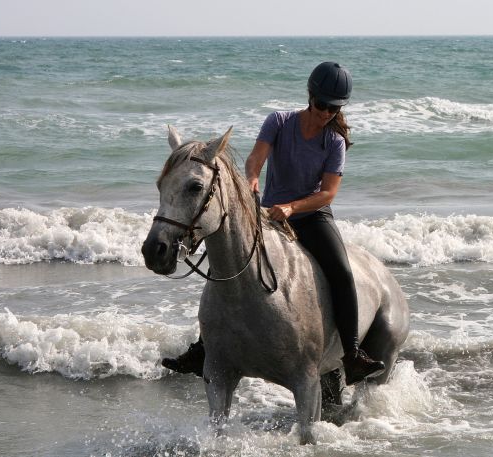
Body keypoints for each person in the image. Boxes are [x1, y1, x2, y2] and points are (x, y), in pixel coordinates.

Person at [162, 62, 385, 386]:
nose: (326, 113)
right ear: (310, 97)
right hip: (268, 214)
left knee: (342, 271)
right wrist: (251, 179)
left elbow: (328, 193)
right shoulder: (279, 122)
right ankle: (203, 347)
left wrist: (293, 207)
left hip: (312, 216)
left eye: (334, 108)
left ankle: (352, 354)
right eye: (322, 105)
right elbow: (256, 159)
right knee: (226, 265)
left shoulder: (333, 142)